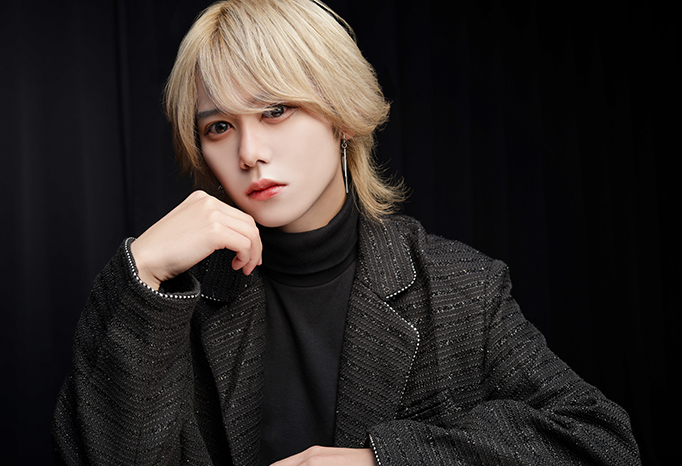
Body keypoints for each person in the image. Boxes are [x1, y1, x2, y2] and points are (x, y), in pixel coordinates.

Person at [51, 0, 642, 464]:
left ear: (341, 116)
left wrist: (380, 460)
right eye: (220, 127)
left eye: (276, 110)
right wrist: (143, 274)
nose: (249, 152)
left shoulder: (460, 288)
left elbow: (600, 443)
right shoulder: (168, 296)